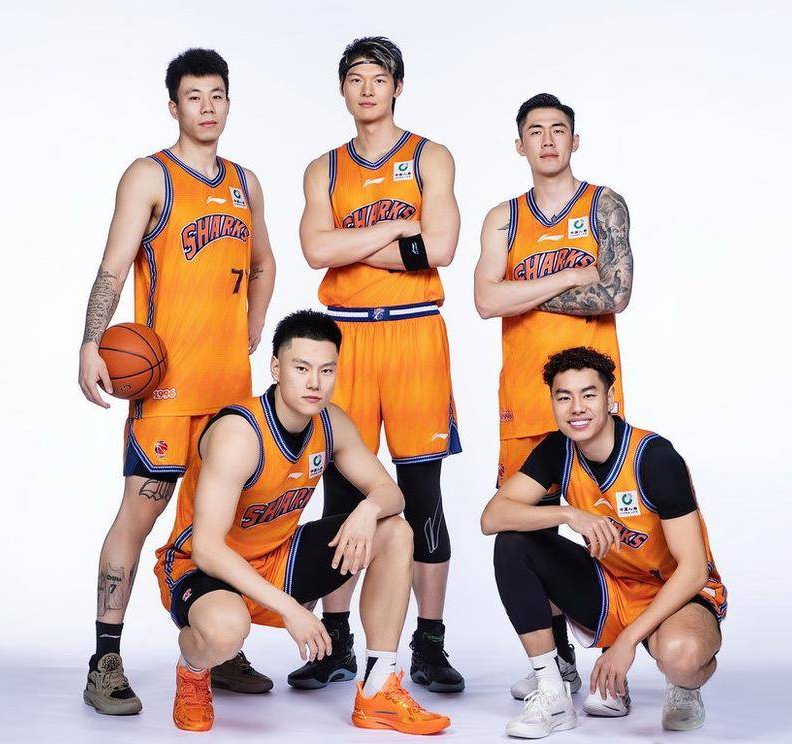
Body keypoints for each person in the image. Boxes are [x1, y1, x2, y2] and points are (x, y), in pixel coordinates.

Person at [76, 48, 277, 714]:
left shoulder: (246, 183)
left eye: (217, 95)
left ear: (229, 103)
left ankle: (218, 645)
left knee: (220, 524)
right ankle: (105, 659)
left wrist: (253, 325)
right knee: (140, 514)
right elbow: (113, 267)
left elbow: (265, 262)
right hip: (163, 391)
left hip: (229, 394)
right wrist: (90, 342)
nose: (207, 107)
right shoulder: (149, 176)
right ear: (174, 106)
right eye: (194, 96)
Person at [155, 311, 451, 735]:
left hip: (277, 559)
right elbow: (207, 549)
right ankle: (193, 669)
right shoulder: (239, 433)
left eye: (326, 370)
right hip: (203, 568)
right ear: (276, 368)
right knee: (225, 631)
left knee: (395, 532)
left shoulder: (332, 423)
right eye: (301, 368)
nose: (315, 383)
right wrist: (291, 609)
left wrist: (367, 511)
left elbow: (392, 494)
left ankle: (378, 687)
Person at [294, 36, 464, 692]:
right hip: (347, 340)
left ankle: (430, 643)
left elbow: (439, 247)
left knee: (422, 494)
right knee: (341, 489)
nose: (367, 89)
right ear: (343, 88)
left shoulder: (429, 156)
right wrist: (396, 231)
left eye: (379, 78)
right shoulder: (323, 169)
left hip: (416, 333)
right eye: (356, 78)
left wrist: (349, 245)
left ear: (398, 86)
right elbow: (315, 251)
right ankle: (335, 642)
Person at [473, 93, 633, 700]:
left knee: (612, 529)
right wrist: (570, 275)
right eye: (535, 131)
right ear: (520, 145)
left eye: (558, 129)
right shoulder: (504, 218)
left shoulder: (603, 205)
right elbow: (485, 300)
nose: (547, 140)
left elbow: (616, 293)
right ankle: (558, 664)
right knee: (526, 532)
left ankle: (613, 665)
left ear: (575, 140)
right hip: (525, 398)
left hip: (592, 400)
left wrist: (522, 288)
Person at [481, 347, 727, 737]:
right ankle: (552, 690)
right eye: (564, 397)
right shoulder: (557, 449)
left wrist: (626, 642)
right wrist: (568, 514)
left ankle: (684, 687)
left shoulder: (654, 457)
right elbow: (492, 517)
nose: (576, 408)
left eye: (588, 394)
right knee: (514, 542)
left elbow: (694, 570)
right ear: (553, 403)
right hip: (612, 586)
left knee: (681, 657)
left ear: (611, 398)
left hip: (676, 592)